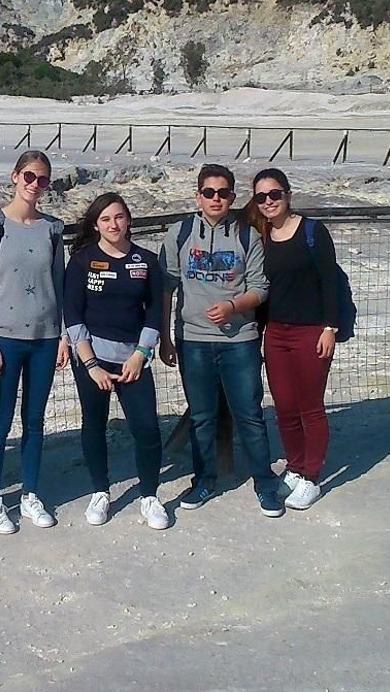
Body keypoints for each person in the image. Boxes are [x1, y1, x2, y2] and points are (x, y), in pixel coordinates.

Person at [158, 164, 284, 517]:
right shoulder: (180, 233)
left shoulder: (247, 236)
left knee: (249, 414)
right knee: (202, 416)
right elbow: (166, 285)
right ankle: (204, 479)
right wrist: (166, 337)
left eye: (224, 192)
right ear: (198, 196)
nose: (216, 198)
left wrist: (233, 306)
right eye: (209, 192)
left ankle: (264, 481)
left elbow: (260, 288)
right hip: (193, 340)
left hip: (239, 340)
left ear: (232, 196)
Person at [0, 151, 68, 534]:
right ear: (14, 176)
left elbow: (59, 284)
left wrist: (61, 335)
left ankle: (30, 493)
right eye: (29, 176)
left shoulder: (53, 228)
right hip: (7, 337)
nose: (35, 185)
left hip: (44, 338)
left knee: (35, 419)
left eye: (43, 179)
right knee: (0, 420)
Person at [63, 193, 171, 530]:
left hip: (133, 361)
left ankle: (150, 496)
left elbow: (154, 312)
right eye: (106, 219)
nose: (114, 224)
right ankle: (100, 492)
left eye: (120, 217)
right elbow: (73, 314)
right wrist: (91, 365)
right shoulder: (81, 261)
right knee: (94, 426)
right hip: (92, 359)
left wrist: (141, 354)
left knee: (147, 428)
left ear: (129, 221)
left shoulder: (147, 261)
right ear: (96, 224)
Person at [245, 169, 341, 511]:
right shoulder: (262, 235)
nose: (269, 202)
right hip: (277, 331)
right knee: (284, 407)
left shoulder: (313, 231)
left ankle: (312, 476)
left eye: (275, 195)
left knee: (310, 406)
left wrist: (331, 327)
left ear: (288, 194)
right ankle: (295, 466)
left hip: (312, 330)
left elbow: (330, 279)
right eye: (261, 197)